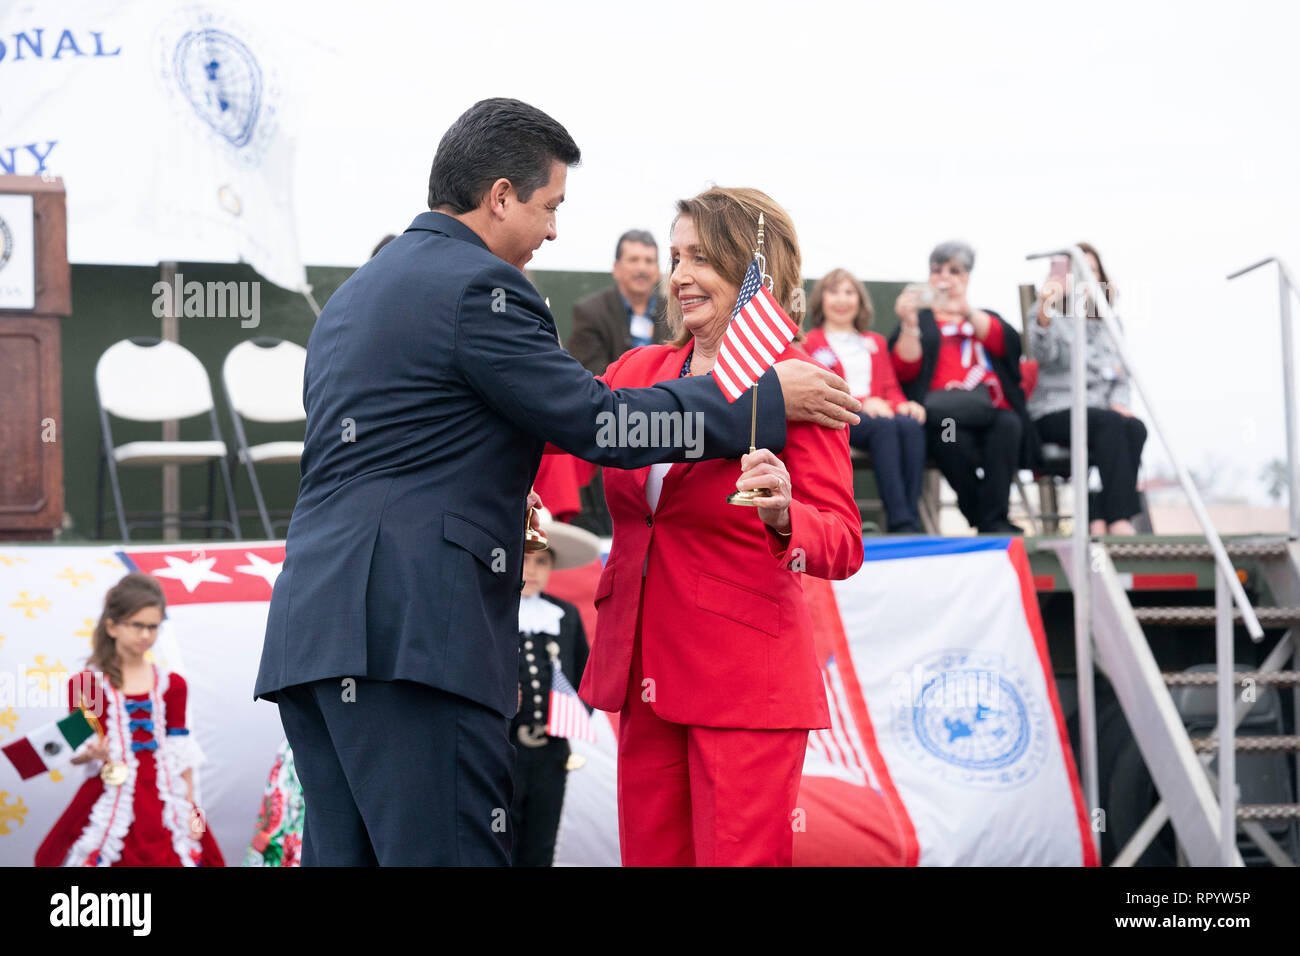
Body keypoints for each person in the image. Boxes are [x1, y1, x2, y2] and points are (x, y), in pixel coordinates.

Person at [253, 98, 862, 867]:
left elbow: (427, 437)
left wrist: (507, 491)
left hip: (320, 632)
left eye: (698, 257)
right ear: (500, 196)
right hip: (417, 640)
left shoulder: (354, 295)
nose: (553, 231)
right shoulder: (496, 296)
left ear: (750, 272)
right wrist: (763, 404)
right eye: (550, 207)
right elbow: (600, 425)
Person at [578, 187, 865, 867]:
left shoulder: (800, 381)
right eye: (675, 256)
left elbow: (844, 541)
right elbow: (582, 435)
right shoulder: (637, 370)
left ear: (750, 272)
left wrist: (782, 514)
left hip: (742, 684)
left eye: (699, 258)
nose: (677, 276)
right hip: (642, 673)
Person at [36, 572, 223, 867]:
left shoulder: (173, 685)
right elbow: (73, 751)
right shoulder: (85, 685)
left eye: (153, 627)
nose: (146, 635)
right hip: (108, 793)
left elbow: (181, 755)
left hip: (163, 799)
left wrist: (191, 810)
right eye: (137, 625)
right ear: (112, 626)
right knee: (59, 855)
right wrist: (89, 754)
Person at [888, 240, 1037, 534]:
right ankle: (987, 518)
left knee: (1009, 427)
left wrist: (964, 310)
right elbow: (905, 368)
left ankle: (993, 517)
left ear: (966, 277)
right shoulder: (921, 320)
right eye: (937, 270)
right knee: (950, 440)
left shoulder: (981, 316)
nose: (944, 277)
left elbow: (1006, 343)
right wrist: (909, 323)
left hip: (990, 410)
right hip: (947, 415)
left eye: (954, 271)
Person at [1028, 242, 1146, 535]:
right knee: (1107, 423)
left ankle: (1099, 516)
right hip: (1056, 410)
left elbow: (1122, 376)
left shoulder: (1111, 322)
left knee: (1134, 427)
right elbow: (1042, 353)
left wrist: (1120, 402)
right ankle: (1119, 519)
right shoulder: (1048, 311)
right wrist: (1044, 308)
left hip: (1102, 415)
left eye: (1091, 270)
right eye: (1077, 271)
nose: (1086, 278)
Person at [804, 268, 927, 532]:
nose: (842, 300)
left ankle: (910, 516)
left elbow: (890, 387)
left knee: (910, 425)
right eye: (834, 292)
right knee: (886, 427)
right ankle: (900, 521)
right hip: (840, 417)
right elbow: (819, 390)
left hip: (877, 416)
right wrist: (863, 401)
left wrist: (903, 405)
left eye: (849, 292)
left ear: (859, 301)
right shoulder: (810, 342)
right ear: (821, 300)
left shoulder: (875, 342)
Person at [509, 510, 597, 866]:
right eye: (525, 559)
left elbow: (583, 676)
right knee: (503, 838)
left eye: (541, 561)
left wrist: (576, 711)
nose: (531, 570)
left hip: (552, 751)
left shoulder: (565, 615)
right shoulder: (495, 610)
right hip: (504, 749)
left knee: (542, 841)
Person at [568, 229, 669, 375]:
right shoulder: (590, 313)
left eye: (649, 261)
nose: (642, 268)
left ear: (658, 269)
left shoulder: (675, 313)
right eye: (633, 260)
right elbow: (591, 374)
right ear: (616, 268)